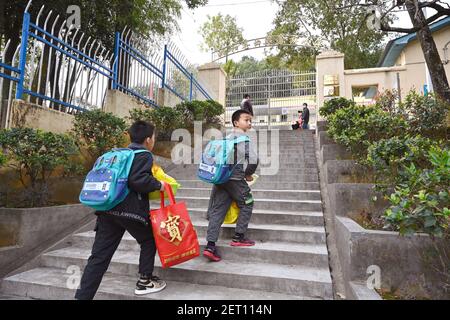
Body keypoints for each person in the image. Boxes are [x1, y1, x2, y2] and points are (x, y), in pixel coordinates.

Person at [75, 121, 166, 300]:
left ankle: (82, 296)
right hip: (130, 210)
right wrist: (158, 184)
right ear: (148, 140)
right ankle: (145, 281)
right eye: (153, 137)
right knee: (148, 239)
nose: (153, 140)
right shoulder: (144, 155)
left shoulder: (115, 154)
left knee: (99, 257)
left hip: (107, 209)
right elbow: (138, 180)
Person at [203, 109, 259, 262]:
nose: (249, 122)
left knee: (218, 210)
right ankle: (239, 236)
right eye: (246, 120)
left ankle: (210, 246)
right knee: (247, 203)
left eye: (250, 120)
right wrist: (248, 173)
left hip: (221, 179)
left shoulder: (225, 139)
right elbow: (253, 159)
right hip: (236, 179)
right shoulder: (244, 140)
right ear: (236, 123)